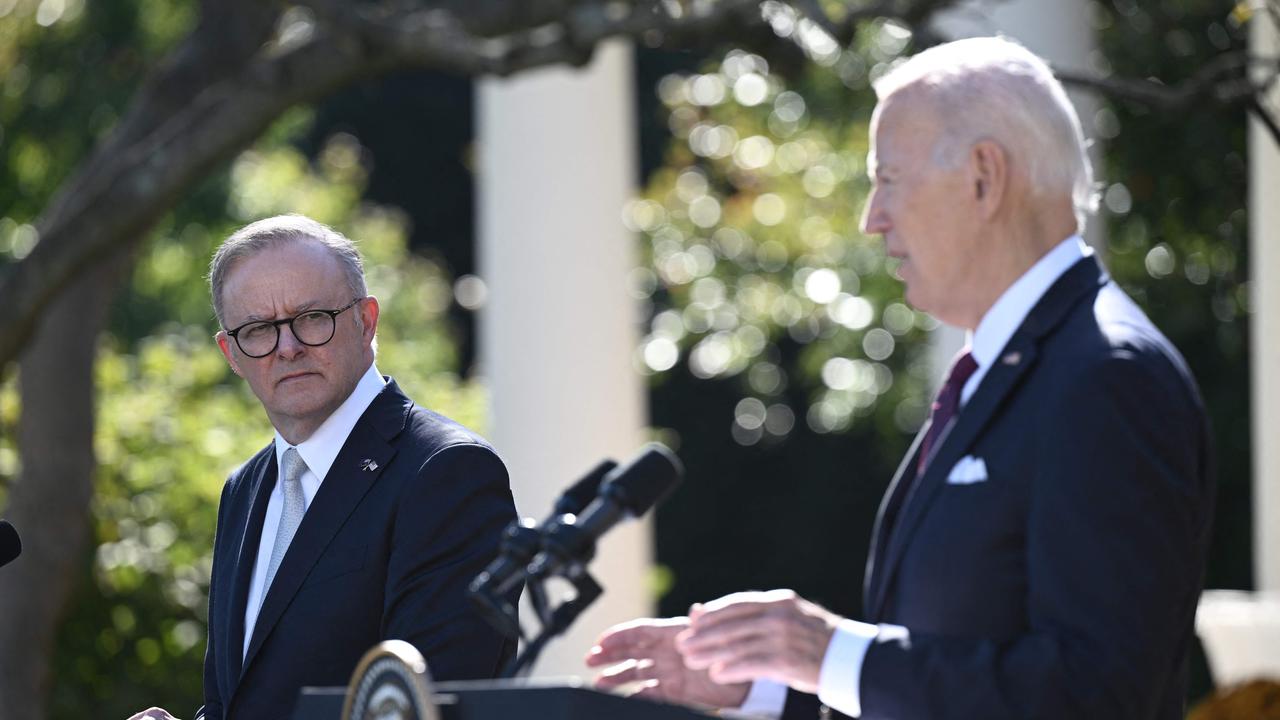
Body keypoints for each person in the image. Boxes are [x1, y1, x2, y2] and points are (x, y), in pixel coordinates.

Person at [587, 36, 1214, 720]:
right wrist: (767, 685)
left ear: (983, 176)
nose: (872, 218)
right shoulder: (1014, 367)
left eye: (888, 179)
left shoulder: (1105, 376)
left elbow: (1094, 695)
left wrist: (828, 653)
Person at [129, 215, 518, 720]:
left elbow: (432, 705)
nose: (287, 348)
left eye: (312, 317)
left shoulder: (447, 471)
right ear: (231, 353)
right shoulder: (244, 489)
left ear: (367, 320)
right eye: (258, 329)